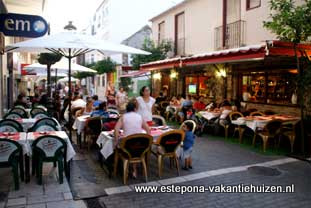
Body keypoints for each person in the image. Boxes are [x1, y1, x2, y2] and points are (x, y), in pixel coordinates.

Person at [114, 100, 151, 178]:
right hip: (139, 147)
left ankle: (126, 169)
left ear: (127, 109)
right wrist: (148, 142)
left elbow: (116, 129)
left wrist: (116, 141)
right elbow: (148, 129)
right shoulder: (139, 117)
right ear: (135, 109)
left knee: (121, 148)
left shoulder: (123, 117)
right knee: (135, 147)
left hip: (127, 146)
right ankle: (134, 170)